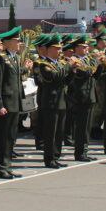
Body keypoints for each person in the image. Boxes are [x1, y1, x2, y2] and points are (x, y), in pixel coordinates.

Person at [0, 26, 26, 178]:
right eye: (16, 40)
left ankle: (7, 165)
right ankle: (0, 167)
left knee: (11, 137)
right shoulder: (1, 58)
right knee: (2, 137)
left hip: (15, 103)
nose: (19, 43)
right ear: (8, 42)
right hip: (5, 103)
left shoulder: (15, 58)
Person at [33, 34, 68, 169]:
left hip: (61, 101)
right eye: (56, 48)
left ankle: (56, 156)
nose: (59, 51)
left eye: (60, 48)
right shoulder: (43, 64)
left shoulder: (59, 63)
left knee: (59, 132)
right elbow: (54, 77)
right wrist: (69, 68)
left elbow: (65, 81)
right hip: (50, 102)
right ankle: (49, 159)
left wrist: (72, 71)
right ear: (48, 50)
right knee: (50, 133)